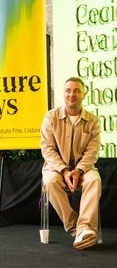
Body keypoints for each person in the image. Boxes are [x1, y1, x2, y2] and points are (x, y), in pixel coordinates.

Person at [41, 77, 102, 250]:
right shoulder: (51, 117)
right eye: (68, 90)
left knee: (94, 180)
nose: (71, 94)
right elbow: (47, 149)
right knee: (50, 182)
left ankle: (86, 228)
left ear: (84, 94)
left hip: (83, 168)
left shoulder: (93, 121)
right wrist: (65, 170)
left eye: (76, 91)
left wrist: (78, 171)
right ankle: (77, 229)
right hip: (56, 168)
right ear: (63, 93)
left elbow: (92, 151)